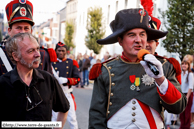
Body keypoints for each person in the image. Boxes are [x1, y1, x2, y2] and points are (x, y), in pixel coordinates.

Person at [88, 8, 187, 129]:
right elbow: (96, 116)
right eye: (131, 35)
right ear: (120, 40)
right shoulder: (105, 69)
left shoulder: (164, 66)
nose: (138, 40)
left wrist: (160, 79)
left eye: (142, 34)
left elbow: (179, 107)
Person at [0, 33, 69, 128]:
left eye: (37, 49)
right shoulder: (3, 83)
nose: (37, 54)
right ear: (16, 56)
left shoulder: (48, 79)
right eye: (31, 51)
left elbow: (64, 108)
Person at [0, 0, 57, 76]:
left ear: (31, 31)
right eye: (18, 28)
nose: (23, 32)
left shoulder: (43, 55)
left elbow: (49, 85)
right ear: (9, 31)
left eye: (26, 28)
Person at [51, 42, 80, 129]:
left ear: (66, 51)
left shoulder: (72, 63)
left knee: (72, 118)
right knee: (55, 119)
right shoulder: (51, 63)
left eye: (63, 50)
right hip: (55, 95)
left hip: (67, 93)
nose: (61, 52)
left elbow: (77, 79)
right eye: (59, 50)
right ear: (55, 51)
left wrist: (66, 80)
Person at [179, 55, 194, 129]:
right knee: (182, 112)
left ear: (188, 65)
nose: (184, 65)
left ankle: (186, 127)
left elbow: (190, 87)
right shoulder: (181, 74)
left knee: (187, 112)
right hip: (181, 94)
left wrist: (187, 97)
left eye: (186, 64)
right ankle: (182, 126)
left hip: (188, 94)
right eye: (183, 64)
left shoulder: (190, 74)